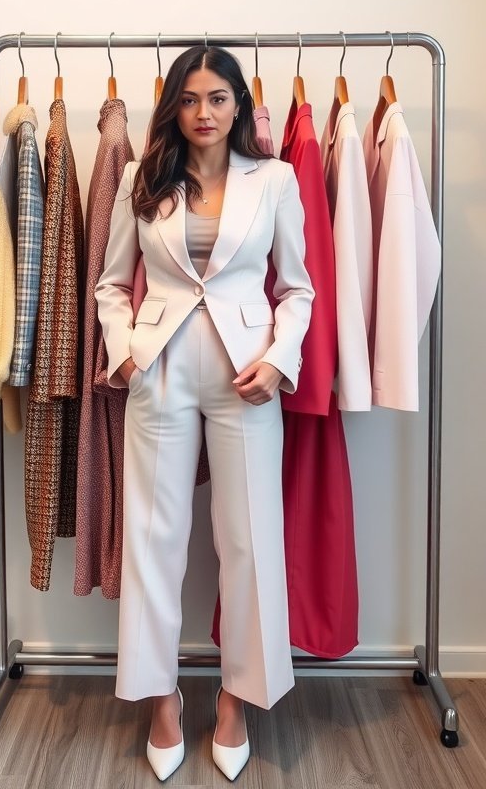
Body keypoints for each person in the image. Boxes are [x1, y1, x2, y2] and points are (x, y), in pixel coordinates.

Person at [95, 45, 314, 781]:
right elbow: (109, 285)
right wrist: (124, 351)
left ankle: (235, 702)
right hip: (159, 372)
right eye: (189, 100)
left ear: (240, 105)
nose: (203, 113)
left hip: (244, 374)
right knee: (154, 540)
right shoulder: (140, 176)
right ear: (174, 108)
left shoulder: (276, 180)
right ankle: (160, 701)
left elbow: (298, 290)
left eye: (217, 98)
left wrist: (280, 360)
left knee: (249, 541)